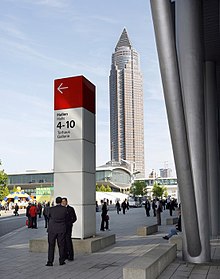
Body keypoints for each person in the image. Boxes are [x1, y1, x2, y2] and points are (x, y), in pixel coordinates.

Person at [46, 196, 68, 266]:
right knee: (61, 245)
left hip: (52, 229)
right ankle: (61, 260)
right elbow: (66, 218)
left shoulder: (51, 209)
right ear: (61, 201)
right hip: (61, 229)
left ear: (55, 202)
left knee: (51, 245)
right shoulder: (64, 209)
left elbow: (48, 216)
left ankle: (50, 261)